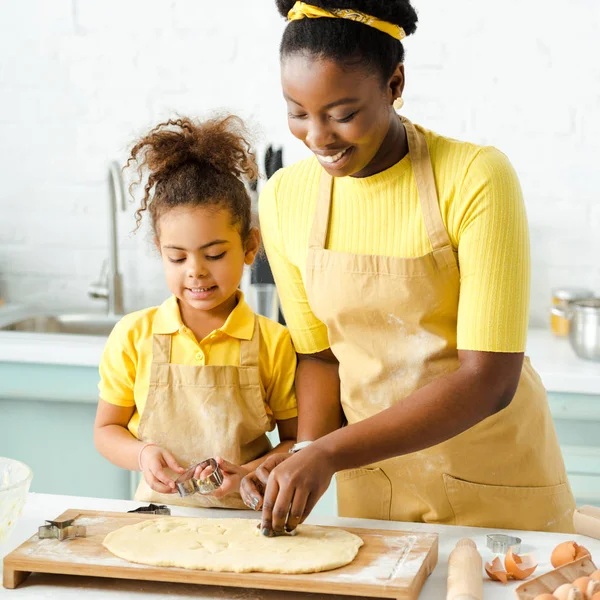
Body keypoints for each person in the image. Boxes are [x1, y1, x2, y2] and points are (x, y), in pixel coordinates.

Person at [241, 0, 576, 533]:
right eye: (299, 112)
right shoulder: (285, 197)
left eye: (343, 114)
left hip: (495, 486)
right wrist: (306, 447)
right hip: (374, 492)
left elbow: (489, 379)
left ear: (395, 83)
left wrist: (328, 452)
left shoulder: (474, 177)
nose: (319, 138)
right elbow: (321, 358)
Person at [94, 116, 298, 508]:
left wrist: (255, 470)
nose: (196, 271)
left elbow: (296, 442)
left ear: (250, 247)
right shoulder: (134, 336)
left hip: (247, 523)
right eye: (177, 256)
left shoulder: (274, 343)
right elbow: (106, 429)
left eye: (215, 254)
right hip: (155, 517)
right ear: (160, 250)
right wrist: (142, 455)